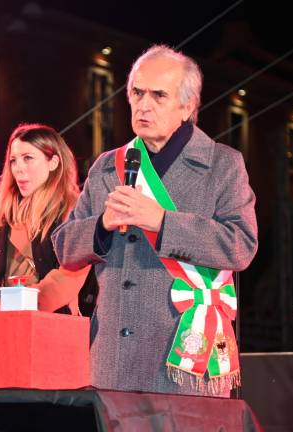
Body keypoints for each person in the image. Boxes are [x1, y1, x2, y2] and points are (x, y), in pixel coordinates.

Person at [52, 45, 257, 396]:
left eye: (158, 95)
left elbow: (241, 245)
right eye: (137, 93)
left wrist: (162, 221)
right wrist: (102, 225)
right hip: (114, 361)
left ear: (187, 105)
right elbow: (63, 245)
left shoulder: (222, 165)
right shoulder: (107, 166)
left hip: (185, 360)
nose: (144, 104)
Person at [0, 123, 91, 315]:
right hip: (1, 326)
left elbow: (72, 271)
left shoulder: (73, 212)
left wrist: (24, 306)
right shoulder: (2, 214)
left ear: (53, 162)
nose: (18, 168)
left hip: (51, 327)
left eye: (28, 158)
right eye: (13, 160)